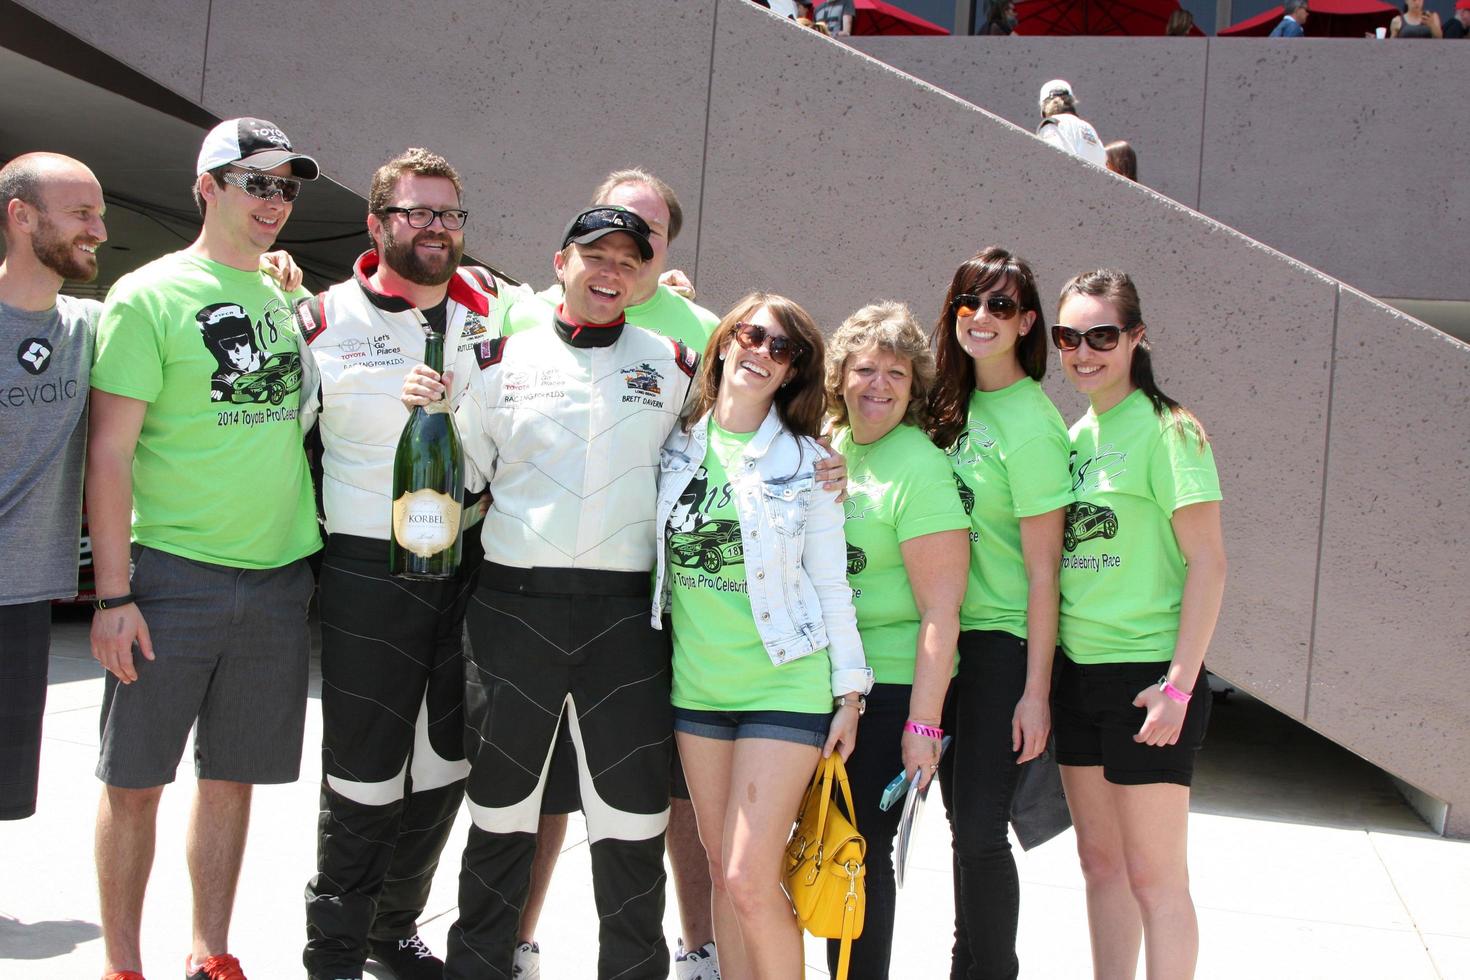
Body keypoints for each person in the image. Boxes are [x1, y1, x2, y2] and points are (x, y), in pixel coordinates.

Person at [403, 205, 696, 980]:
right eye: (595, 255)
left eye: (629, 261)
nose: (611, 273)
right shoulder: (495, 361)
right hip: (511, 613)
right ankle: (479, 969)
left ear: (644, 275)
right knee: (500, 816)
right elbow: (453, 485)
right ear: (560, 261)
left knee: (633, 824)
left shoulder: (676, 364)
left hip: (629, 620)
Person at [87, 117, 321, 980]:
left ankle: (209, 953)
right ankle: (122, 964)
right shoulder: (147, 295)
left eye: (286, 186)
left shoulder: (287, 301)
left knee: (232, 779)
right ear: (208, 187)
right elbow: (109, 453)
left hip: (276, 581)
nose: (274, 202)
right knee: (135, 782)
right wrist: (115, 598)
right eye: (255, 182)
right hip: (171, 578)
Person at [295, 148, 521, 980]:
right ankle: (334, 953)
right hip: (366, 571)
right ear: (376, 221)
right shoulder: (320, 320)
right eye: (416, 212)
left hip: (471, 567)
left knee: (447, 763)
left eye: (449, 214)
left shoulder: (498, 311)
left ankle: (392, 931)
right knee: (362, 770)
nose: (435, 228)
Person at [504, 168, 722, 980]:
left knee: (661, 797)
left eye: (645, 236)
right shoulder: (528, 314)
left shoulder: (699, 330)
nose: (622, 254)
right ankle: (518, 939)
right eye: (610, 232)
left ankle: (694, 945)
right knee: (543, 790)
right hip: (538, 598)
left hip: (651, 606)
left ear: (665, 248)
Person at [652, 293, 873, 980]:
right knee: (721, 872)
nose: (762, 352)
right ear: (724, 341)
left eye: (782, 349)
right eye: (752, 335)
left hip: (785, 681)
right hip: (698, 684)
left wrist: (850, 695)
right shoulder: (670, 442)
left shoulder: (809, 463)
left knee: (750, 876)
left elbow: (834, 587)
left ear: (791, 374)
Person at [1050, 270, 1226, 980]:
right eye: (1069, 337)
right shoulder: (1075, 435)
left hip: (1147, 679)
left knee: (1157, 880)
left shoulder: (1170, 430)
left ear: (1136, 338)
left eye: (1101, 336)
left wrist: (1178, 686)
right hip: (1076, 674)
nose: (1083, 352)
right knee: (1100, 865)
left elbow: (1209, 565)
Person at [928, 248, 1072, 980]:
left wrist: (1035, 693)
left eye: (1001, 306)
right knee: (963, 829)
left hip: (1000, 646)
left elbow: (1045, 573)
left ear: (1026, 323)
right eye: (969, 302)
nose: (982, 318)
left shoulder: (1034, 423)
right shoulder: (946, 404)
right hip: (942, 644)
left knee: (982, 832)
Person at [820, 302, 969, 980]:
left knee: (860, 853)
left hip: (893, 689)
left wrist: (923, 724)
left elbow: (942, 609)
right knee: (823, 848)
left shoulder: (919, 467)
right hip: (824, 681)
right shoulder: (830, 442)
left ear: (914, 390)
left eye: (897, 374)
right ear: (839, 376)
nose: (878, 386)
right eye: (865, 369)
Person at [0, 153, 106, 823]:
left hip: (25, 594)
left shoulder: (92, 326)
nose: (98, 229)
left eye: (100, 212)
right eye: (80, 213)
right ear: (22, 216)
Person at [1036, 80, 1107, 168]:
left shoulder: (1052, 125)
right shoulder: (1089, 128)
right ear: (1071, 102)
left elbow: (1053, 163)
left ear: (1044, 107)